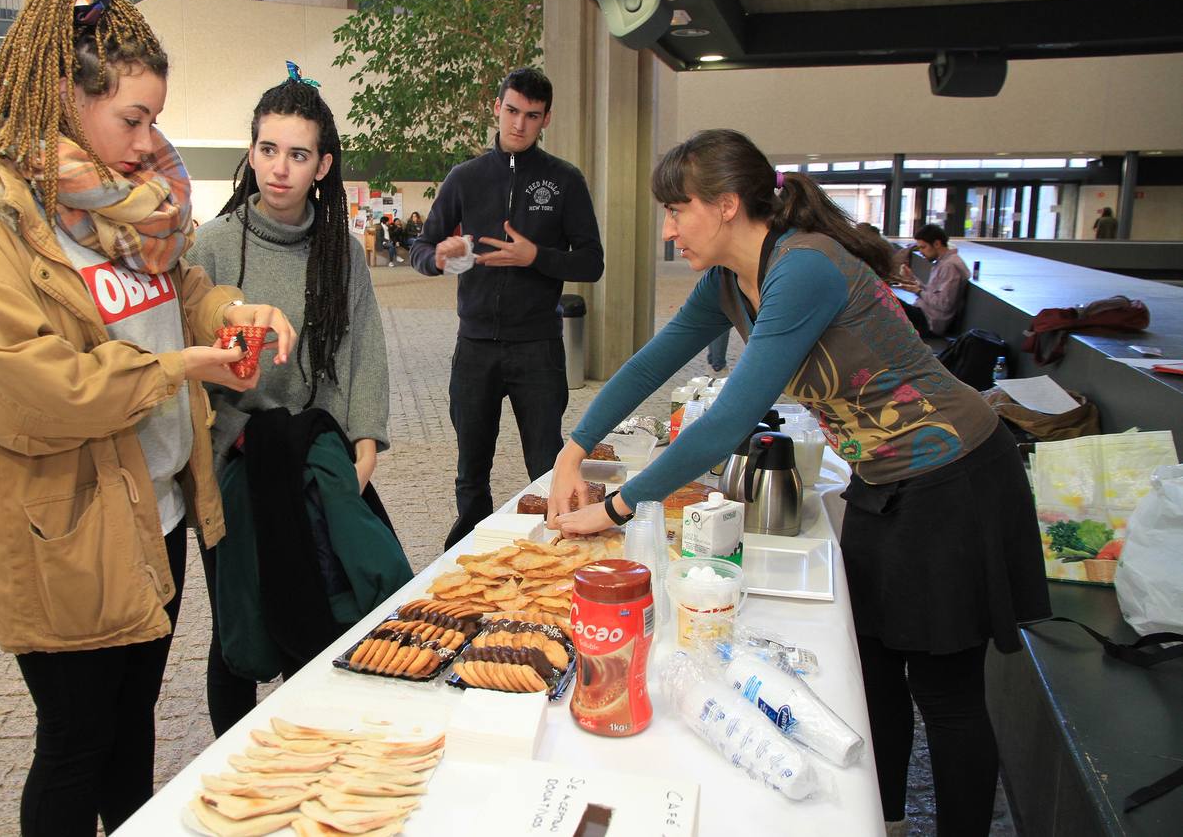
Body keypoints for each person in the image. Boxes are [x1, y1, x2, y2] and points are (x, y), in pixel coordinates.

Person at [548, 129, 1049, 836]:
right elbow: (649, 364)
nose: (667, 228)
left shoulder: (803, 269)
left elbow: (725, 423)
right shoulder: (730, 283)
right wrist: (571, 452)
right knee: (873, 676)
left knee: (946, 691)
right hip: (884, 482)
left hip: (956, 476)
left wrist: (617, 507)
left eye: (676, 208)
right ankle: (889, 821)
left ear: (725, 205)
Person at [0, 0, 294, 835]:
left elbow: (176, 287)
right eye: (133, 117)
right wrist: (177, 371)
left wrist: (235, 313)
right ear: (60, 95)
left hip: (151, 514)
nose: (149, 139)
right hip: (62, 531)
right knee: (78, 741)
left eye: (155, 116)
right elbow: (31, 391)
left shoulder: (120, 208)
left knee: (131, 736)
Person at [186, 69, 406, 736]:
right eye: (268, 149)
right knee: (240, 623)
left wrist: (361, 450)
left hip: (314, 460)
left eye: (298, 154)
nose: (279, 169)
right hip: (233, 464)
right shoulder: (216, 245)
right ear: (251, 153)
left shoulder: (339, 252)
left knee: (320, 607)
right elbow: (194, 361)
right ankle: (232, 757)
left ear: (323, 165)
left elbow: (363, 350)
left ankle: (305, 748)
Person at [409, 67, 604, 549]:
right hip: (474, 347)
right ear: (496, 108)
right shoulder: (465, 178)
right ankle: (471, 549)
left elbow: (592, 261)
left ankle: (556, 547)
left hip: (537, 347)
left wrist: (536, 257)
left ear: (546, 120)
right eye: (512, 111)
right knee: (470, 471)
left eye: (531, 116)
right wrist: (437, 256)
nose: (519, 124)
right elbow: (421, 247)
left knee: (546, 464)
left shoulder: (564, 180)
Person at [896, 223, 970, 336]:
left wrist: (918, 291)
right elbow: (933, 293)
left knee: (886, 303)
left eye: (923, 247)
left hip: (929, 322)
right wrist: (912, 278)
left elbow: (943, 304)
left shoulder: (949, 266)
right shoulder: (943, 263)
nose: (921, 252)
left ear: (937, 244)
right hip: (925, 314)